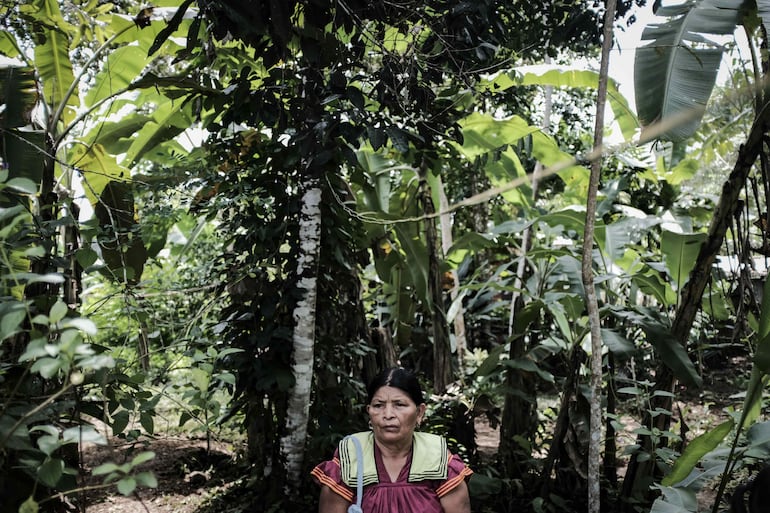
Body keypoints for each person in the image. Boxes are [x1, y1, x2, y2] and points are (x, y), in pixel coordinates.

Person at [311, 367, 473, 513]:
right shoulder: (351, 457)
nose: (388, 414)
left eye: (399, 404)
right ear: (369, 412)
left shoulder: (437, 457)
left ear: (419, 412)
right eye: (378, 405)